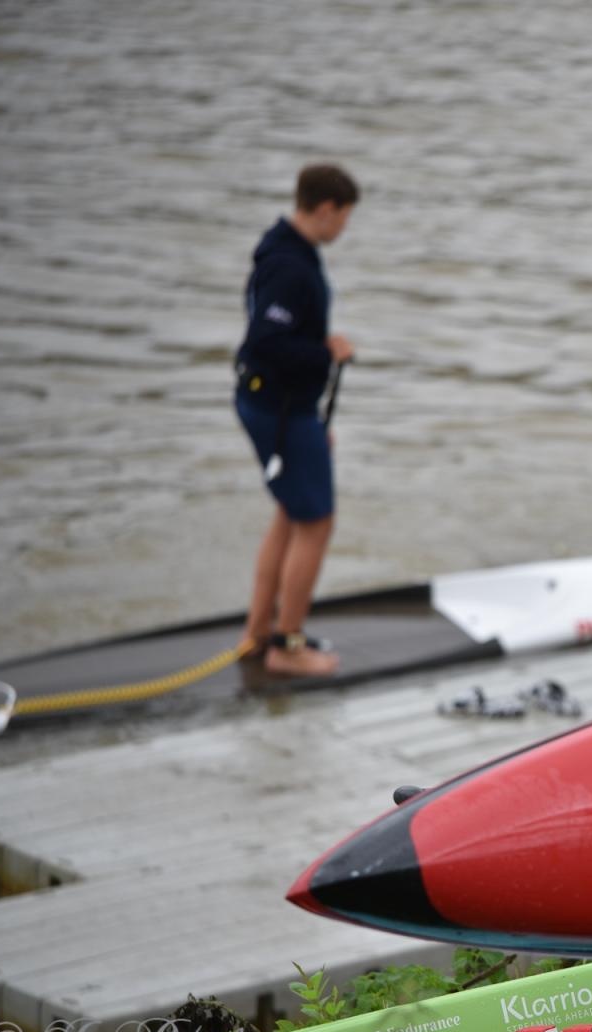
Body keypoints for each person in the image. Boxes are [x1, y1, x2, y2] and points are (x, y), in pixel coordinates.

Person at [233, 163, 360, 676]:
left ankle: (258, 632)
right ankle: (288, 647)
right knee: (316, 521)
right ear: (326, 209)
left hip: (283, 409)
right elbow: (266, 342)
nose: (344, 228)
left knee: (290, 512)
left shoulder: (285, 248)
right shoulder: (290, 265)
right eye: (345, 217)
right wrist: (327, 355)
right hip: (278, 411)